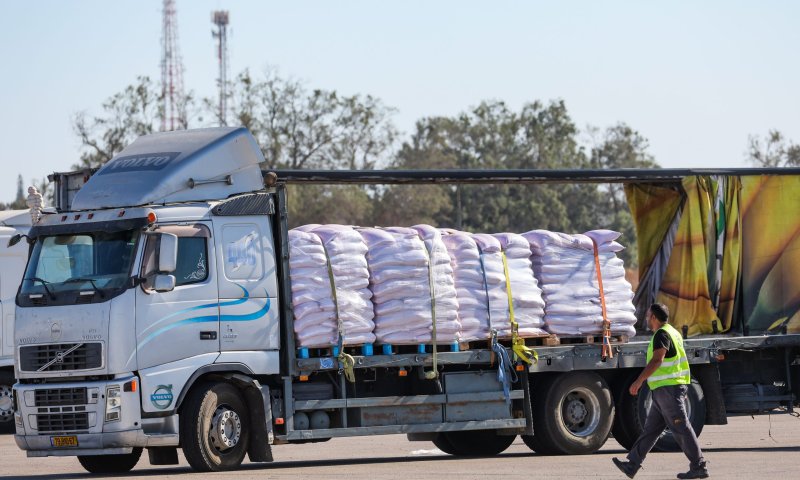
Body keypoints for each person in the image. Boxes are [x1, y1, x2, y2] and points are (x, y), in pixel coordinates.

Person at [612, 303, 709, 479]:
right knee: (650, 430)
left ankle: (699, 466)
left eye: (648, 316)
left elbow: (657, 360)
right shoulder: (673, 332)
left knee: (682, 428)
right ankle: (632, 465)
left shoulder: (662, 334)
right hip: (663, 390)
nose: (647, 319)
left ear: (654, 318)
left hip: (669, 389)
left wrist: (639, 381)